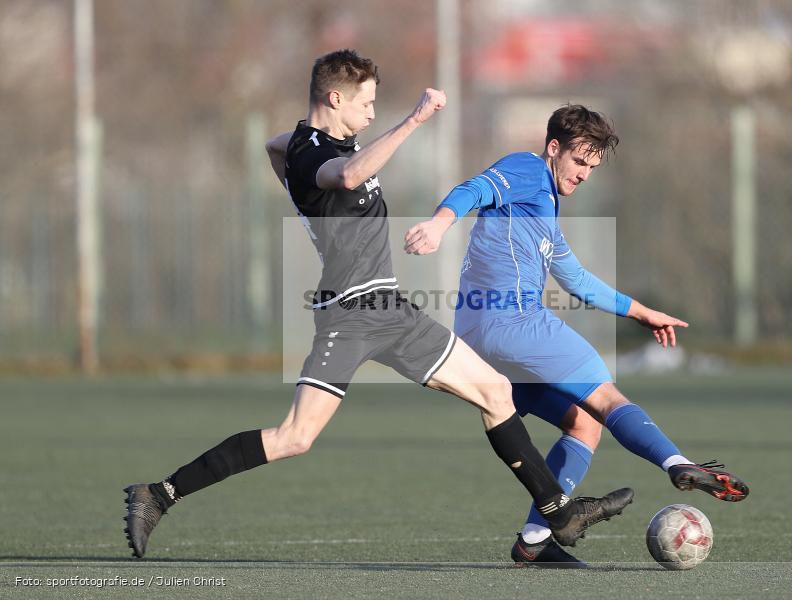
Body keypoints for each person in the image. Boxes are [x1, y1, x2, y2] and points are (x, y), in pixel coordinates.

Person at [123, 52, 634, 559]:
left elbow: (273, 146)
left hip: (391, 309)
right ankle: (158, 495)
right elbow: (343, 177)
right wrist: (414, 119)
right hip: (349, 314)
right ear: (335, 97)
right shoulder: (319, 157)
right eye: (366, 103)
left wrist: (297, 170)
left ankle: (557, 515)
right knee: (295, 437)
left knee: (497, 392)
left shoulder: (310, 146)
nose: (371, 113)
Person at [403, 103, 750, 568]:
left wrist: (642, 312)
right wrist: (439, 223)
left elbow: (578, 281)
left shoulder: (543, 211)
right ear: (554, 149)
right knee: (606, 399)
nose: (585, 173)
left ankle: (535, 540)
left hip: (479, 339)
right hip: (515, 324)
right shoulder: (527, 169)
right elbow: (475, 189)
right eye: (580, 161)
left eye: (593, 166)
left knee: (582, 424)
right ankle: (678, 463)